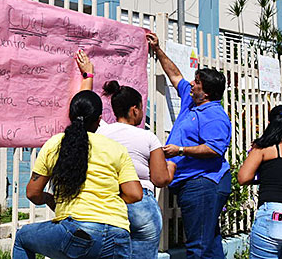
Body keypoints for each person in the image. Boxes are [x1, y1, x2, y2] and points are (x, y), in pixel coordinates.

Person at [12, 87, 143, 258]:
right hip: (118, 234)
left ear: (71, 117)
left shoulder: (56, 144)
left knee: (23, 238)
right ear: (99, 120)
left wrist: (48, 199)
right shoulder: (117, 149)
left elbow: (32, 192)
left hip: (77, 232)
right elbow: (135, 194)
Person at [76, 50, 175, 258]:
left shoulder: (101, 130)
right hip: (142, 204)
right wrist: (171, 167)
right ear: (135, 110)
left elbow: (83, 105)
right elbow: (160, 179)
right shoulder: (148, 138)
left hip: (109, 202)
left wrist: (88, 75)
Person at [147, 32, 231, 259]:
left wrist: (180, 150)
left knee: (198, 247)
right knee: (209, 242)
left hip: (203, 182)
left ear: (207, 93)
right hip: (192, 182)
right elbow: (174, 76)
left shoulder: (214, 115)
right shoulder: (190, 101)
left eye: (198, 82)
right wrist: (158, 50)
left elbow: (215, 149)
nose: (192, 84)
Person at [238, 105, 282, 259]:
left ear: (270, 124)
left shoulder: (264, 148)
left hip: (272, 215)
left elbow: (243, 178)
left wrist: (264, 178)